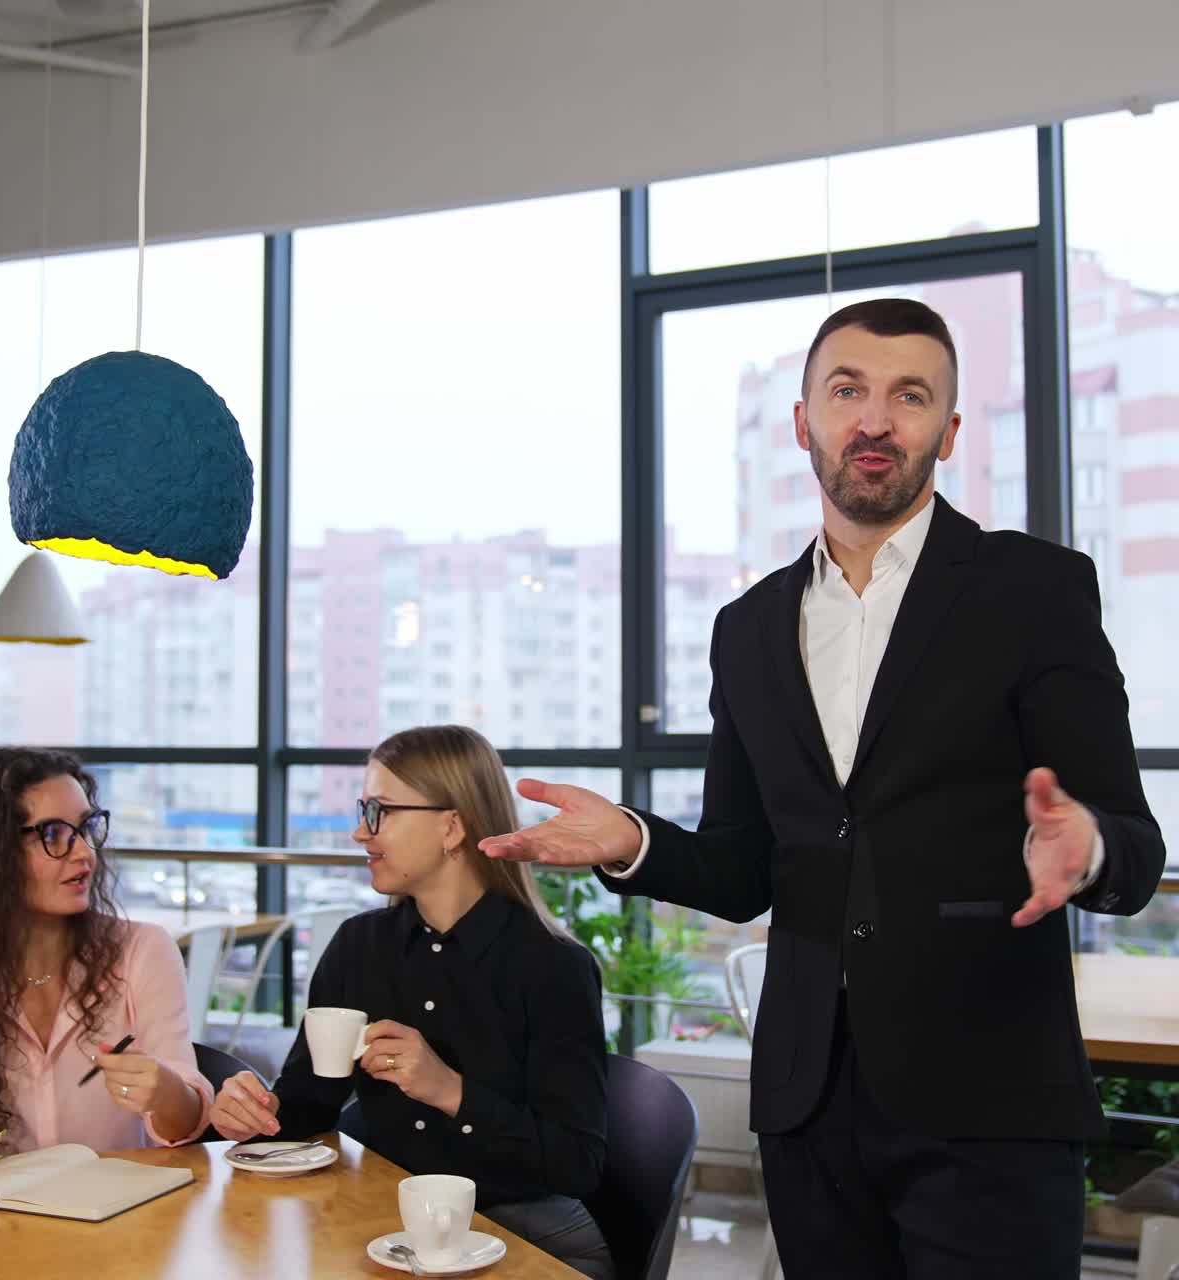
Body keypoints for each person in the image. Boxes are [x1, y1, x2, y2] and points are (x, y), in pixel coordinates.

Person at [479, 298, 1167, 1279]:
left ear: (948, 431)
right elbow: (741, 864)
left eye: (908, 394)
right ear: (801, 420)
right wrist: (632, 838)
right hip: (808, 1107)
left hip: (986, 1100)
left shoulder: (1033, 590)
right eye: (846, 390)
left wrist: (1084, 844)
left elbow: (1134, 849)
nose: (874, 419)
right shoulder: (747, 626)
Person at [210, 725, 614, 1280]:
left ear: (452, 825)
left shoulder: (552, 966)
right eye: (363, 810)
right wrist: (257, 1113)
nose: (360, 832)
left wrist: (450, 1091)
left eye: (380, 812)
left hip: (527, 1233)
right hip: (387, 1224)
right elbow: (308, 1107)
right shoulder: (359, 947)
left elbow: (577, 1164)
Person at [0, 747, 213, 1179]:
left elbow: (184, 1121)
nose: (84, 853)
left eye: (86, 829)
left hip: (119, 1221)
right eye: (54, 834)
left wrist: (166, 1091)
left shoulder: (143, 950)